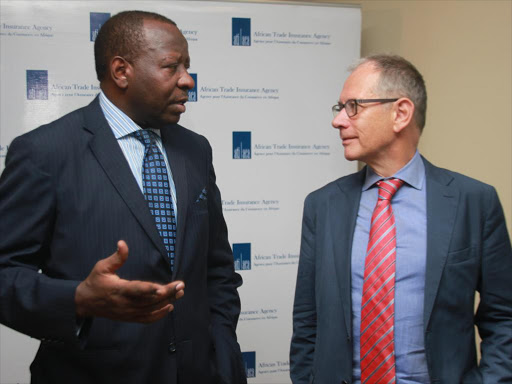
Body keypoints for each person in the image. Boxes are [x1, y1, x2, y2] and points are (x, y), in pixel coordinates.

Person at [0, 10, 246, 384]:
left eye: (188, 66)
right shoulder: (44, 153)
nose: (188, 80)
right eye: (171, 66)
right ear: (121, 71)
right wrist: (78, 299)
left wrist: (222, 348)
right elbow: (4, 274)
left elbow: (217, 268)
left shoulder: (196, 150)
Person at [290, 54, 512, 383]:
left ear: (401, 113)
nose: (339, 121)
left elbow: (504, 318)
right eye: (340, 109)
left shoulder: (473, 202)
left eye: (353, 106)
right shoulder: (323, 206)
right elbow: (307, 324)